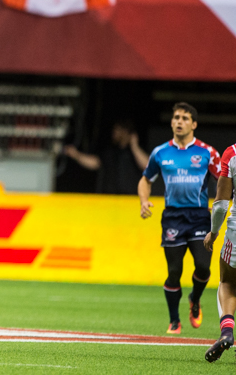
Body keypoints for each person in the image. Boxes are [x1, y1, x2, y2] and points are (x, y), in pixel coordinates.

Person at [138, 102, 220, 335]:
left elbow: (223, 179)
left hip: (199, 216)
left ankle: (195, 298)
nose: (179, 121)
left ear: (194, 124)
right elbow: (146, 179)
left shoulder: (207, 152)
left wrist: (222, 203)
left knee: (203, 266)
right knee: (174, 271)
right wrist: (144, 201)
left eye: (185, 118)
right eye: (176, 117)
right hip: (173, 217)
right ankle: (174, 320)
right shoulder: (160, 152)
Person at [204, 141, 236, 362]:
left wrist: (214, 233)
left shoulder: (232, 153)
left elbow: (221, 204)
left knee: (227, 282)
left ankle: (227, 332)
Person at [64, 119, 149, 194]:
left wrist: (134, 146)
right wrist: (76, 154)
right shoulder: (109, 151)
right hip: (110, 197)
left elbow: (147, 166)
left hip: (130, 200)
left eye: (117, 129)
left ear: (125, 131)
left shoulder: (136, 151)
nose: (114, 132)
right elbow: (95, 162)